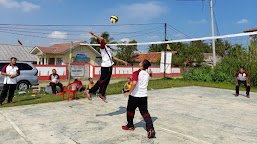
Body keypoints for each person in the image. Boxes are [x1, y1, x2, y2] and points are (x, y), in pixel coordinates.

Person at [85, 31, 128, 103]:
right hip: (105, 66)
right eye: (101, 39)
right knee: (102, 80)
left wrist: (123, 61)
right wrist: (95, 35)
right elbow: (102, 39)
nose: (104, 40)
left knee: (106, 81)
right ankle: (90, 91)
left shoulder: (108, 49)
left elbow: (113, 57)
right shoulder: (102, 47)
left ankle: (102, 94)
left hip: (110, 66)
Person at [122, 59, 155, 139]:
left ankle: (130, 126)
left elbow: (134, 83)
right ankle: (151, 129)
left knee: (130, 111)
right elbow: (148, 76)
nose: (139, 63)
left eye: (141, 62)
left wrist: (129, 92)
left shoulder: (136, 72)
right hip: (143, 97)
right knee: (145, 113)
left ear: (142, 65)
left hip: (135, 96)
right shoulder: (147, 74)